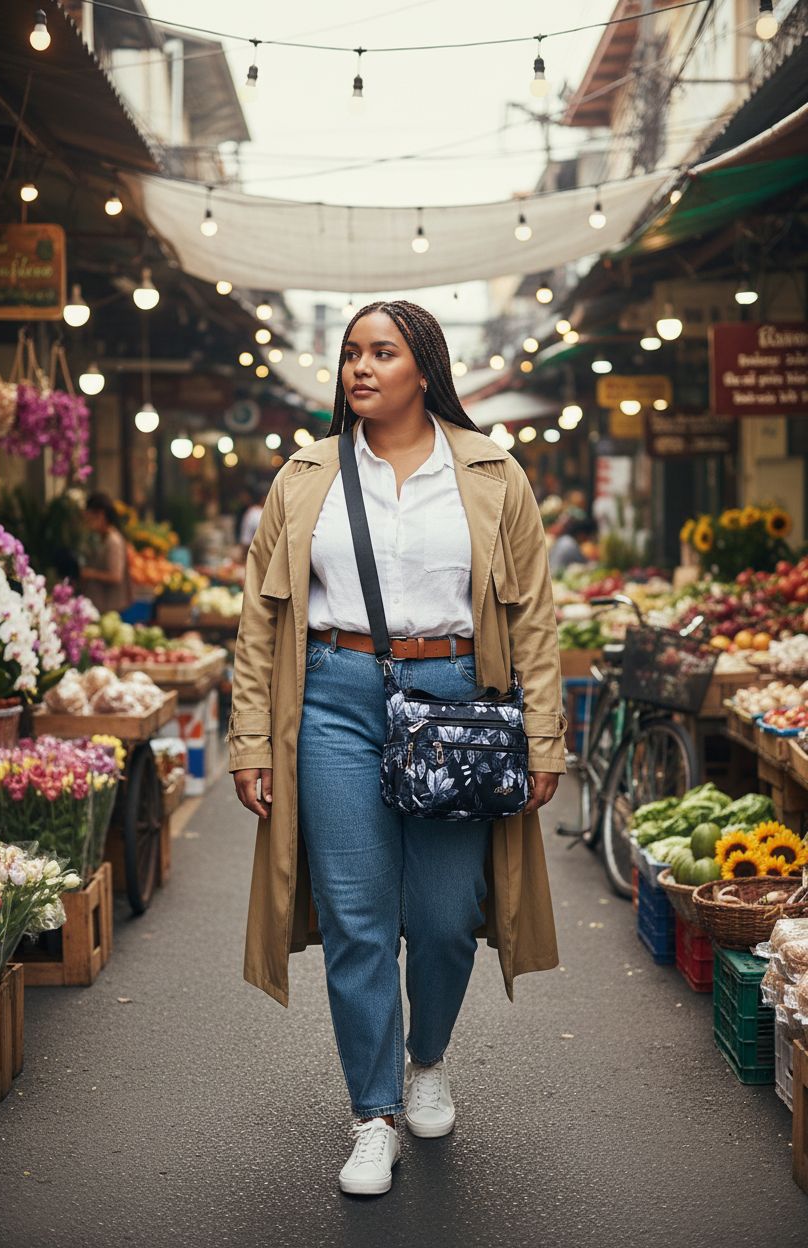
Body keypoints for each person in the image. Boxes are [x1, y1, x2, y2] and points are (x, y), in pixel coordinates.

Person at [228, 300, 566, 1197]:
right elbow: (260, 625)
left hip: (459, 702)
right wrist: (252, 741)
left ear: (426, 367)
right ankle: (372, 1111)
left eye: (383, 352)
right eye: (350, 354)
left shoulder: (493, 472)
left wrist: (546, 740)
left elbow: (533, 615)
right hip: (335, 700)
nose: (360, 369)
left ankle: (428, 1061)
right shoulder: (304, 476)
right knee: (355, 915)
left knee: (450, 913)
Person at [80, 492, 132, 614]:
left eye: (90, 519)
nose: (88, 524)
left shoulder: (113, 541)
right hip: (102, 606)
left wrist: (90, 573)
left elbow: (116, 575)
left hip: (110, 607)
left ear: (101, 515)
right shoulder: (102, 538)